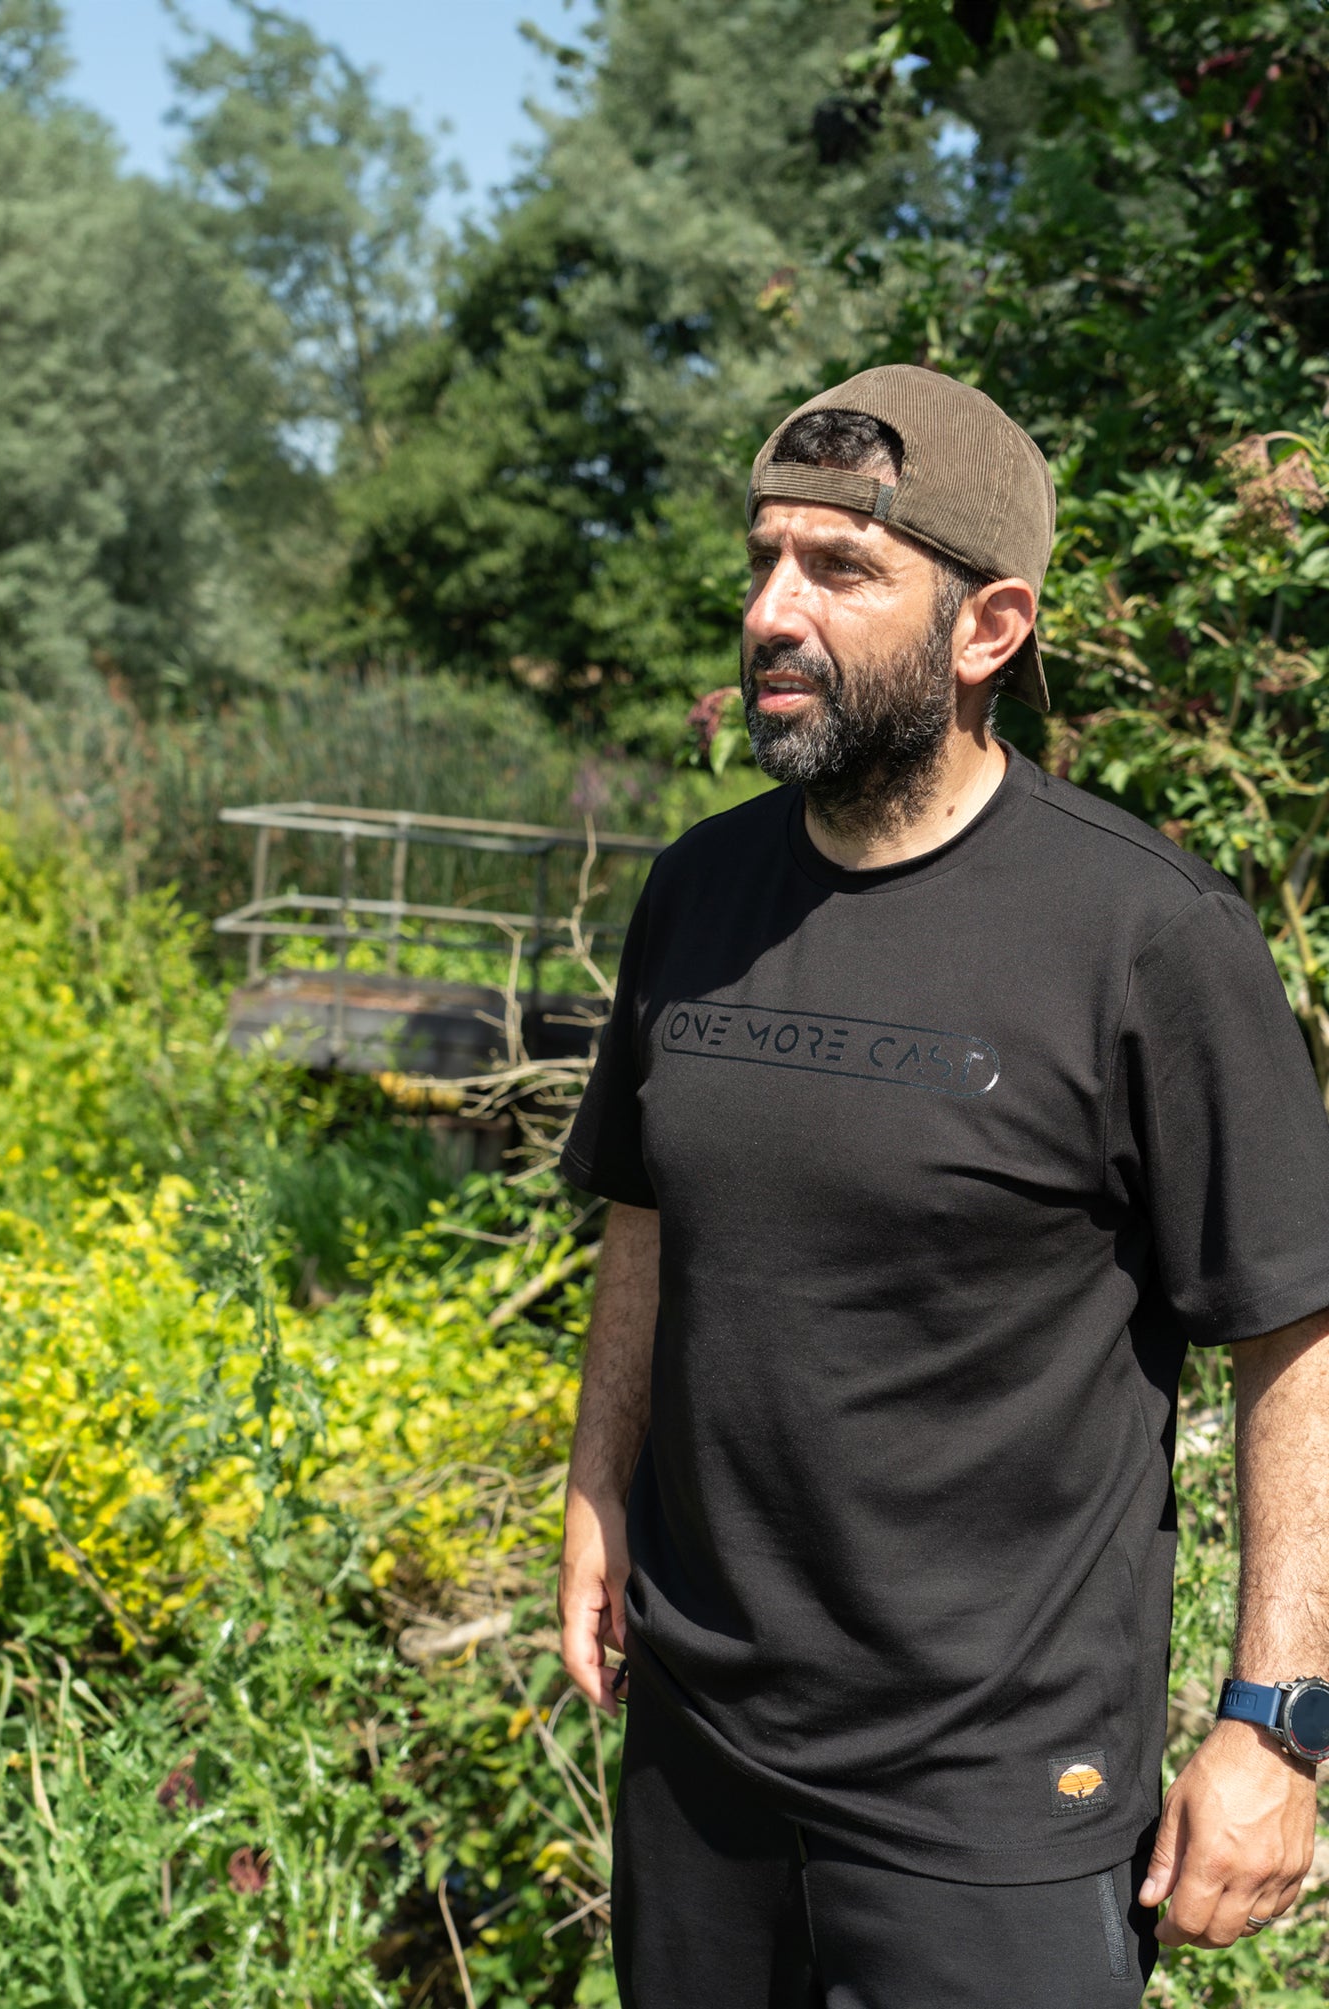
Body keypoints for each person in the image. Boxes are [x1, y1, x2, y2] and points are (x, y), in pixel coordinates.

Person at [556, 365, 1329, 2009]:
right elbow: (645, 1209)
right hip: (699, 1759)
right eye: (765, 560)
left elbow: (1294, 1335)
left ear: (989, 628)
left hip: (996, 1795)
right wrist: (597, 1486)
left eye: (841, 569)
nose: (773, 611)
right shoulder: (699, 893)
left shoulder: (1148, 936)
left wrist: (1277, 1721)